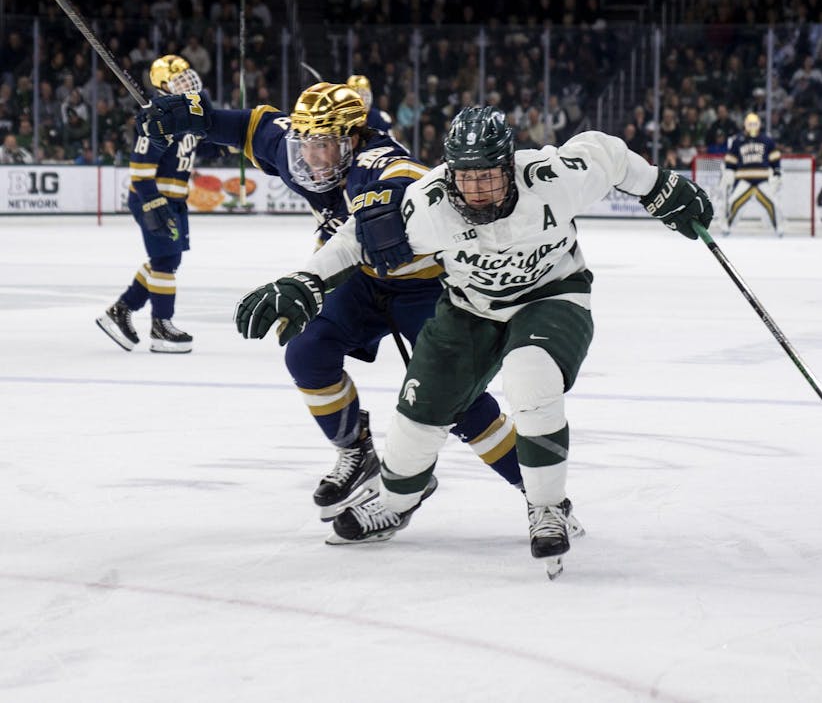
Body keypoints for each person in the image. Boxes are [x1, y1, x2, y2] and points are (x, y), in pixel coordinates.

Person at [228, 105, 713, 577]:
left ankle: (547, 507)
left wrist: (659, 186)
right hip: (468, 308)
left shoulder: (552, 177)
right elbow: (359, 235)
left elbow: (605, 154)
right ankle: (396, 503)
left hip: (551, 296)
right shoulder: (430, 202)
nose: (477, 188)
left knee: (531, 377)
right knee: (417, 420)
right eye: (466, 175)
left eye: (489, 175)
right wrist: (305, 280)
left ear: (509, 165)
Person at [137, 83, 529, 540]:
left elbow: (405, 179)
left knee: (460, 402)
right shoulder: (297, 146)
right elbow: (246, 126)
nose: (314, 158)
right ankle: (357, 452)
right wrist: (191, 116)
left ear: (354, 137)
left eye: (326, 145)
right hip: (361, 280)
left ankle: (540, 494)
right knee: (306, 352)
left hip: (426, 287)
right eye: (307, 145)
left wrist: (379, 215)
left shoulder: (378, 162)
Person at [96, 55, 206, 354]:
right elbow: (141, 168)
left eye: (187, 76)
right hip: (154, 197)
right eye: (178, 80)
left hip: (174, 199)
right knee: (165, 263)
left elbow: (201, 145)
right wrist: (153, 203)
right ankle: (161, 325)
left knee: (168, 261)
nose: (187, 83)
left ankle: (120, 311)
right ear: (162, 86)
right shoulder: (158, 116)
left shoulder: (188, 113)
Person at [719, 112, 783, 236]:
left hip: (762, 179)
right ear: (745, 125)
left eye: (755, 124)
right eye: (750, 124)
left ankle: (778, 227)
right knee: (733, 202)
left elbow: (775, 158)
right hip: (744, 179)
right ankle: (727, 226)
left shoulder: (767, 140)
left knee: (772, 204)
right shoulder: (738, 140)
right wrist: (729, 172)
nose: (753, 126)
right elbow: (731, 159)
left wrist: (777, 173)